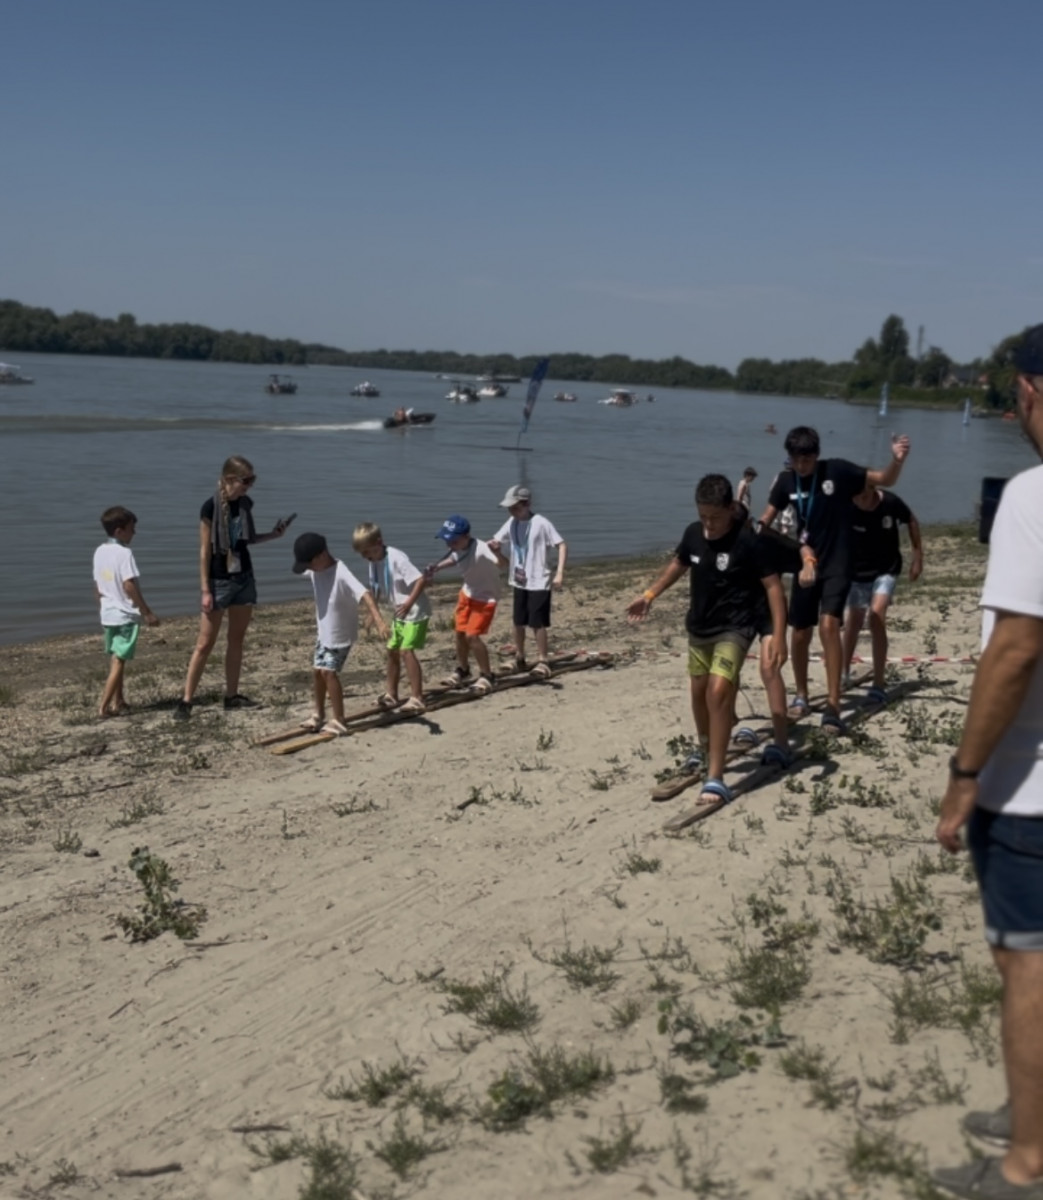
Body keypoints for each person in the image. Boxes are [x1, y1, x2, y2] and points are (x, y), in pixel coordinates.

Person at [933, 324, 1043, 1200]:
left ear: (1030, 392)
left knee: (1027, 964)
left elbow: (1014, 647)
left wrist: (965, 773)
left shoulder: (1032, 497)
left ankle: (1026, 1162)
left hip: (1030, 791)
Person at [626, 474, 786, 806]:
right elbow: (678, 564)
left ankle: (715, 777)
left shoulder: (748, 541)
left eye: (715, 517)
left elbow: (773, 587)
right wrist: (650, 595)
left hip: (736, 628)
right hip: (700, 627)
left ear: (730, 509)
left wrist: (778, 634)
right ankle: (705, 749)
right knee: (699, 694)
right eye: (703, 517)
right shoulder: (692, 534)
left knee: (717, 691)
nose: (709, 524)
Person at [757, 426, 911, 733]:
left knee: (829, 625)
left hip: (838, 561)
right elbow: (765, 521)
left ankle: (833, 704)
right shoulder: (786, 481)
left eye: (807, 460)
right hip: (806, 564)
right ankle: (801, 695)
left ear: (817, 455)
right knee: (800, 633)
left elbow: (885, 479)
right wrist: (758, 536)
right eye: (796, 460)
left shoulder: (837, 471)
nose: (802, 466)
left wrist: (897, 460)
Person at [174, 456, 291, 720]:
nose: (250, 485)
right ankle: (186, 700)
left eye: (252, 480)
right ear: (229, 479)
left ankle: (232, 695)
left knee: (236, 639)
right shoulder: (210, 507)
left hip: (244, 578)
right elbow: (205, 551)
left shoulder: (245, 504)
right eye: (246, 480)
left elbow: (245, 541)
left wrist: (274, 535)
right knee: (205, 643)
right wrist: (205, 589)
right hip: (219, 581)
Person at [292, 531, 388, 734]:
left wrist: (379, 621)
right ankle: (318, 714)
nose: (308, 568)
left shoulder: (341, 572)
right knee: (317, 672)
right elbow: (306, 569)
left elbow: (365, 594)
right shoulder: (314, 569)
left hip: (340, 634)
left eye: (309, 563)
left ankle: (339, 719)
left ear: (321, 555)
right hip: (324, 633)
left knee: (328, 673)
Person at [841, 485, 923, 703]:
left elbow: (911, 520)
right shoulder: (846, 505)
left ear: (873, 491)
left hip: (887, 569)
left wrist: (917, 557)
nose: (862, 502)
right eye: (858, 498)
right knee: (854, 620)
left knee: (876, 615)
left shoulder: (890, 502)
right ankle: (843, 671)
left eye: (866, 496)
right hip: (857, 571)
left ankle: (878, 683)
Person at [487, 485, 567, 677]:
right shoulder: (512, 522)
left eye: (515, 507)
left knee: (537, 622)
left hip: (539, 580)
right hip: (519, 579)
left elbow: (561, 545)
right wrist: (495, 548)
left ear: (526, 504)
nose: (512, 511)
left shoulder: (541, 523)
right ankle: (520, 657)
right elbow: (497, 540)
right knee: (518, 621)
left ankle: (543, 659)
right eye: (510, 508)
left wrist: (559, 573)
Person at [352, 521, 431, 713]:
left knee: (406, 651)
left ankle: (417, 697)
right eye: (362, 553)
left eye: (367, 551)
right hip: (399, 612)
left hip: (415, 611)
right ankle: (392, 694)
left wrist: (409, 603)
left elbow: (420, 580)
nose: (365, 556)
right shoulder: (374, 561)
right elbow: (375, 587)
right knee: (392, 650)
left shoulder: (396, 558)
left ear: (379, 543)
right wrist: (372, 614)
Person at [426, 515, 506, 694]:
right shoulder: (457, 548)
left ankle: (487, 675)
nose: (449, 544)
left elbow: (503, 565)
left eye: (453, 541)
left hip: (485, 598)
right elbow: (455, 559)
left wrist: (498, 552)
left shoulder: (482, 548)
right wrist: (438, 567)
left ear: (466, 536)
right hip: (467, 594)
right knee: (460, 633)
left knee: (472, 636)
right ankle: (463, 670)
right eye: (447, 541)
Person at [92, 506, 160, 718]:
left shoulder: (99, 551)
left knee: (116, 657)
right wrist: (146, 611)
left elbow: (98, 585)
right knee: (119, 660)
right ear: (119, 531)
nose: (134, 533)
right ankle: (104, 707)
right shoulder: (124, 553)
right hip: (124, 614)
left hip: (108, 613)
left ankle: (119, 700)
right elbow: (129, 585)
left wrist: (101, 606)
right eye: (132, 529)